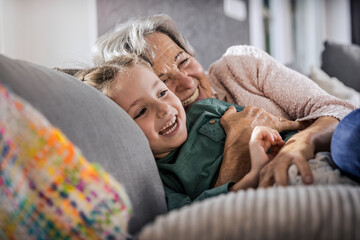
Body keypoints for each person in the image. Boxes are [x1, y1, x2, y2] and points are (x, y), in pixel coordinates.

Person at [92, 14, 356, 188]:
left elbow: (338, 109)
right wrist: (236, 148)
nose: (186, 82)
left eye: (183, 60)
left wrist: (301, 143)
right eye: (163, 82)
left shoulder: (239, 65)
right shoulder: (164, 147)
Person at [77, 57, 357, 211]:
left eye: (162, 92)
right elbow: (191, 215)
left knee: (348, 137)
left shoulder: (205, 109)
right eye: (141, 112)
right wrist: (253, 174)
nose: (163, 109)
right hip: (284, 186)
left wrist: (292, 134)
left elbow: (271, 121)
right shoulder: (157, 178)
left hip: (314, 155)